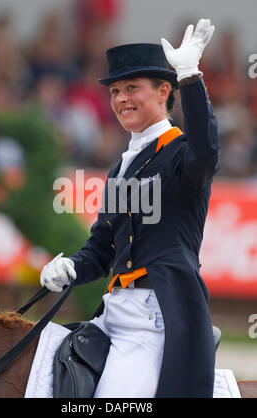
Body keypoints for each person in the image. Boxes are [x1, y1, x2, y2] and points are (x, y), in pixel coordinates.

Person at [40, 19, 219, 398]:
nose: (121, 99)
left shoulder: (181, 154)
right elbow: (103, 248)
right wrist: (71, 266)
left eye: (132, 88)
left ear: (163, 91)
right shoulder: (120, 168)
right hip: (114, 310)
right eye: (116, 91)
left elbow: (207, 153)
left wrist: (191, 76)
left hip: (156, 315)